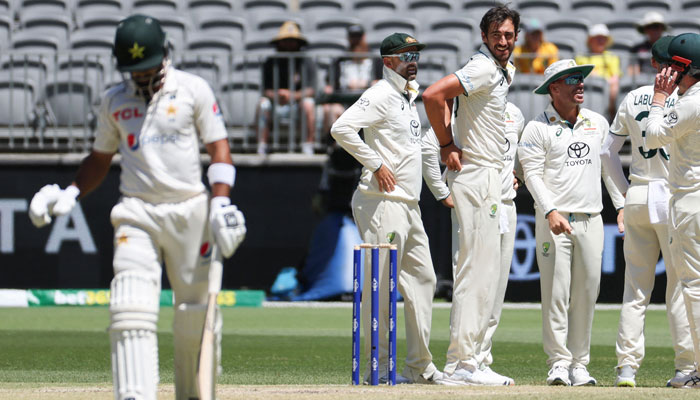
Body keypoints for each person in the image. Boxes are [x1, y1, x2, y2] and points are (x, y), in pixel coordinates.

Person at [27, 14, 246, 400]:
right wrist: (71, 192)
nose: (140, 77)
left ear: (164, 55)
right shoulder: (114, 100)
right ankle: (134, 395)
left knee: (194, 314)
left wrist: (222, 201)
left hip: (191, 211)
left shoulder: (193, 89)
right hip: (137, 212)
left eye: (146, 68)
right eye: (133, 70)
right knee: (130, 304)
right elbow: (99, 158)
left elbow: (219, 148)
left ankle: (193, 393)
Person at [331, 32, 451, 385]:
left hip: (409, 204)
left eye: (415, 53)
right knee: (381, 285)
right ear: (388, 61)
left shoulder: (406, 98)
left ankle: (418, 365)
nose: (412, 60)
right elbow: (342, 128)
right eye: (405, 54)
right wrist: (376, 163)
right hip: (382, 202)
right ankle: (378, 366)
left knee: (424, 279)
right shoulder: (381, 94)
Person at [422, 5, 519, 386]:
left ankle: (471, 360)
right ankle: (460, 364)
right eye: (496, 34)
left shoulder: (501, 70)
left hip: (489, 174)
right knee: (474, 272)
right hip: (475, 173)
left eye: (509, 34)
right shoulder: (480, 67)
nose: (503, 41)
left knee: (486, 272)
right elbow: (433, 95)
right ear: (484, 36)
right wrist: (447, 144)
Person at [601, 35, 695, 388]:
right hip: (672, 196)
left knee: (635, 290)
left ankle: (627, 368)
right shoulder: (684, 96)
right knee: (679, 289)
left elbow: (607, 152)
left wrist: (622, 198)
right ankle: (685, 368)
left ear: (652, 64)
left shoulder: (632, 97)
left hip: (639, 194)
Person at [518, 59, 613, 386]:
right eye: (572, 79)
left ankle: (579, 364)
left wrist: (623, 205)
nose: (580, 84)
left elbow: (607, 168)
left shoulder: (597, 122)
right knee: (556, 293)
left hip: (592, 219)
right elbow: (530, 174)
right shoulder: (537, 127)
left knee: (587, 293)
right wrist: (550, 210)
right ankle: (558, 362)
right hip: (554, 220)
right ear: (553, 88)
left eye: (581, 78)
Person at [643, 32, 700, 388]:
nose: (666, 72)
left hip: (691, 201)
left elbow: (653, 135)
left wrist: (660, 98)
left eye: (671, 67)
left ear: (683, 67)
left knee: (693, 286)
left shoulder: (691, 101)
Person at [256, 21, 317, 155]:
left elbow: (311, 90)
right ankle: (262, 146)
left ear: (298, 43)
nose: (289, 44)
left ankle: (308, 146)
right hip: (276, 105)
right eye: (285, 41)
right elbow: (265, 90)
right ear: (279, 43)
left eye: (292, 41)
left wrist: (292, 96)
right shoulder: (270, 62)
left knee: (308, 104)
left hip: (298, 105)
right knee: (262, 104)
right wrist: (278, 95)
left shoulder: (306, 61)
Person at [322, 24, 382, 137]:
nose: (356, 41)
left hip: (368, 104)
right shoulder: (339, 61)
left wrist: (367, 84)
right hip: (344, 104)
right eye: (353, 37)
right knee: (331, 110)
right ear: (348, 39)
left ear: (363, 38)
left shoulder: (375, 61)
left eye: (358, 37)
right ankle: (334, 147)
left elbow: (382, 83)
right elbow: (329, 84)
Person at [575, 23, 621, 120]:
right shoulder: (581, 57)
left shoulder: (612, 57)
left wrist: (602, 80)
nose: (601, 41)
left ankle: (611, 114)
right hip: (585, 88)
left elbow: (615, 77)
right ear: (590, 40)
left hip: (606, 87)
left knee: (614, 88)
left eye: (603, 38)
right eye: (597, 38)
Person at [629, 11, 669, 76]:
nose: (654, 30)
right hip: (642, 83)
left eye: (657, 26)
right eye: (650, 27)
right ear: (645, 29)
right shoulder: (636, 49)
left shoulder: (669, 48)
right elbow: (633, 72)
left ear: (662, 28)